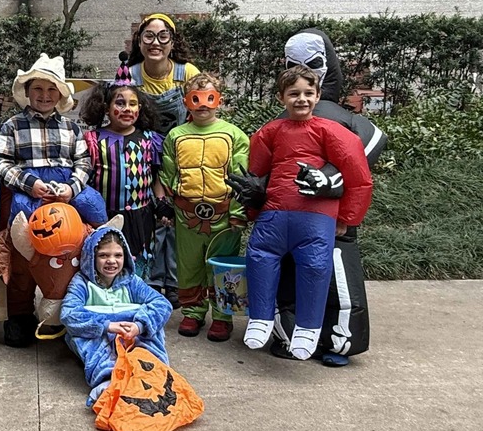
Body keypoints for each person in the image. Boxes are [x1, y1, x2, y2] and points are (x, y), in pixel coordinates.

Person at [273, 28, 388, 366]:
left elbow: (368, 149)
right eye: (295, 65)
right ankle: (292, 335)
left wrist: (331, 179)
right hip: (290, 217)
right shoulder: (279, 123)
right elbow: (266, 162)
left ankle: (338, 341)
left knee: (337, 276)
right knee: (290, 277)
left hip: (332, 219)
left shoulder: (348, 121)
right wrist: (255, 193)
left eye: (313, 64)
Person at [242, 66, 373, 360]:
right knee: (259, 257)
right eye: (294, 94)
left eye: (307, 93)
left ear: (317, 96)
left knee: (315, 267)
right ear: (281, 98)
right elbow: (256, 173)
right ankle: (260, 319)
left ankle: (308, 329)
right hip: (275, 213)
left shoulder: (332, 132)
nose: (301, 99)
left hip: (315, 216)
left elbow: (358, 177)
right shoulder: (269, 132)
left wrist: (347, 219)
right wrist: (251, 208)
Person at [0, 53, 107, 347]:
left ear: (60, 95)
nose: (44, 96)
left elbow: (83, 162)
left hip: (66, 187)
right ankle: (19, 314)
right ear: (28, 92)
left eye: (51, 90)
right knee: (24, 246)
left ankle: (101, 249)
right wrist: (30, 185)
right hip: (29, 189)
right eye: (38, 89)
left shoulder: (72, 128)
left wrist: (72, 187)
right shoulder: (12, 126)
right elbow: (2, 162)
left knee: (89, 213)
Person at [161, 73, 249, 342]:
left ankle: (222, 316)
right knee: (189, 266)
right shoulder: (176, 136)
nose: (203, 105)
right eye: (196, 99)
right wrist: (165, 207)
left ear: (218, 100)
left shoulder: (235, 135)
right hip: (186, 214)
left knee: (221, 268)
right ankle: (193, 311)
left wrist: (238, 214)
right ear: (187, 101)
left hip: (223, 215)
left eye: (209, 98)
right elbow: (167, 174)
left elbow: (242, 178)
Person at [125, 14, 202, 308]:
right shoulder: (130, 74)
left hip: (181, 154)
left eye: (162, 37)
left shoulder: (187, 72)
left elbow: (201, 110)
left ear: (172, 42)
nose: (155, 43)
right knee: (156, 219)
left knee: (178, 219)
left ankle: (179, 282)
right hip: (143, 156)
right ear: (140, 41)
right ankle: (156, 281)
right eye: (148, 36)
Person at [61, 226, 173, 408]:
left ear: (126, 256)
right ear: (92, 257)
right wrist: (106, 325)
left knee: (151, 334)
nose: (111, 261)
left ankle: (152, 374)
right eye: (104, 255)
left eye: (118, 255)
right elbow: (69, 313)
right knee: (93, 344)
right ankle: (108, 379)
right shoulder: (82, 283)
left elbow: (162, 304)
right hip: (102, 332)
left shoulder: (131, 281)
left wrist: (140, 325)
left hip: (131, 330)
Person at [79, 60, 169, 277]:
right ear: (106, 108)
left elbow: (156, 176)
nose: (127, 109)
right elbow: (84, 177)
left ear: (140, 107)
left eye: (133, 103)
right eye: (120, 103)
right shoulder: (93, 139)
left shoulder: (150, 140)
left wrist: (162, 202)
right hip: (103, 215)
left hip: (141, 216)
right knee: (105, 261)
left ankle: (133, 301)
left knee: (136, 262)